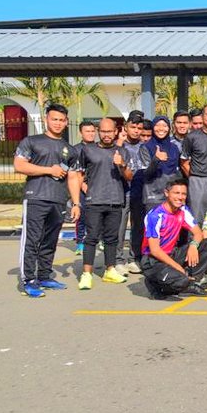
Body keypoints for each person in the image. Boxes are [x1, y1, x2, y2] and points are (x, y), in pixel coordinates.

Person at [14, 104, 77, 297]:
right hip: (36, 197)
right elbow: (19, 165)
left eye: (61, 120)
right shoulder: (31, 141)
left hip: (58, 200)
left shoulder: (69, 149)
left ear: (66, 122)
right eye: (54, 119)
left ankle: (44, 275)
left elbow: (73, 176)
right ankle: (29, 280)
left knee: (50, 240)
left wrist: (76, 203)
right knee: (32, 240)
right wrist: (50, 170)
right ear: (46, 119)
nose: (57, 123)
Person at [68, 117, 130, 289]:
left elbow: (130, 176)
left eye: (110, 131)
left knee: (112, 238)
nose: (106, 135)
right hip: (94, 201)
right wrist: (76, 202)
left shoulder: (122, 152)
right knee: (91, 237)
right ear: (98, 132)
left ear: (116, 131)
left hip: (116, 201)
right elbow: (77, 175)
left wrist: (122, 165)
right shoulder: (87, 150)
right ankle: (86, 273)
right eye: (103, 131)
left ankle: (110, 270)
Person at [140, 178, 207, 299]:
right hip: (153, 260)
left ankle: (191, 282)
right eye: (176, 193)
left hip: (172, 253)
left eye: (183, 194)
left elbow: (198, 233)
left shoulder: (183, 210)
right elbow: (155, 250)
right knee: (181, 280)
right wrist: (179, 268)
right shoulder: (155, 216)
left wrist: (193, 246)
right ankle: (154, 283)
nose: (180, 197)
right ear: (166, 193)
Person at [117, 111, 146, 275]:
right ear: (126, 127)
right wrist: (119, 143)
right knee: (120, 227)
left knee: (138, 227)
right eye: (133, 127)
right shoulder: (119, 145)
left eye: (139, 128)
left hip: (139, 193)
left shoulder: (144, 146)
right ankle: (118, 260)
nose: (136, 130)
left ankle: (134, 258)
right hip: (121, 191)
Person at [139, 116, 183, 212]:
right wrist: (156, 159)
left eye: (165, 125)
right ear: (153, 127)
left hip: (172, 196)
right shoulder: (145, 147)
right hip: (153, 196)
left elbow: (177, 172)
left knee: (172, 226)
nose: (161, 128)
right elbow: (146, 173)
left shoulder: (174, 148)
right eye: (158, 125)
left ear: (169, 128)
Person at [72, 120, 98, 255]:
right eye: (87, 131)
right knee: (81, 216)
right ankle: (81, 242)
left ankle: (101, 240)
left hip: (98, 187)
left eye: (93, 131)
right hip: (82, 187)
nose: (91, 134)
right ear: (81, 133)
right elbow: (73, 172)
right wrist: (82, 185)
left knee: (99, 216)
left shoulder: (99, 147)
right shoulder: (75, 150)